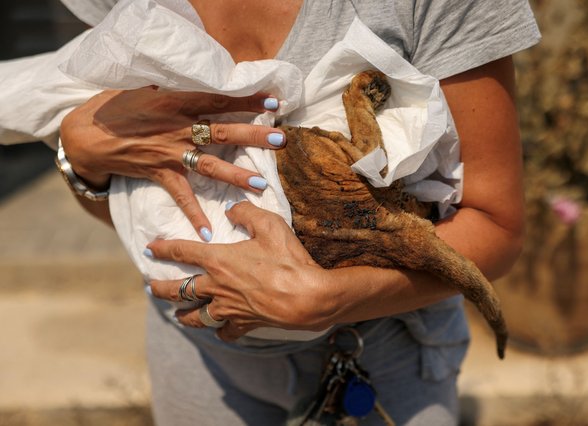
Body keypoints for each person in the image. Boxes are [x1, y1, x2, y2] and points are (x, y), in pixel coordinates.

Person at [1, 1, 540, 424]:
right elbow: (134, 214)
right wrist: (83, 159)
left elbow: (498, 227)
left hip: (382, 349)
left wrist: (333, 297)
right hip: (197, 352)